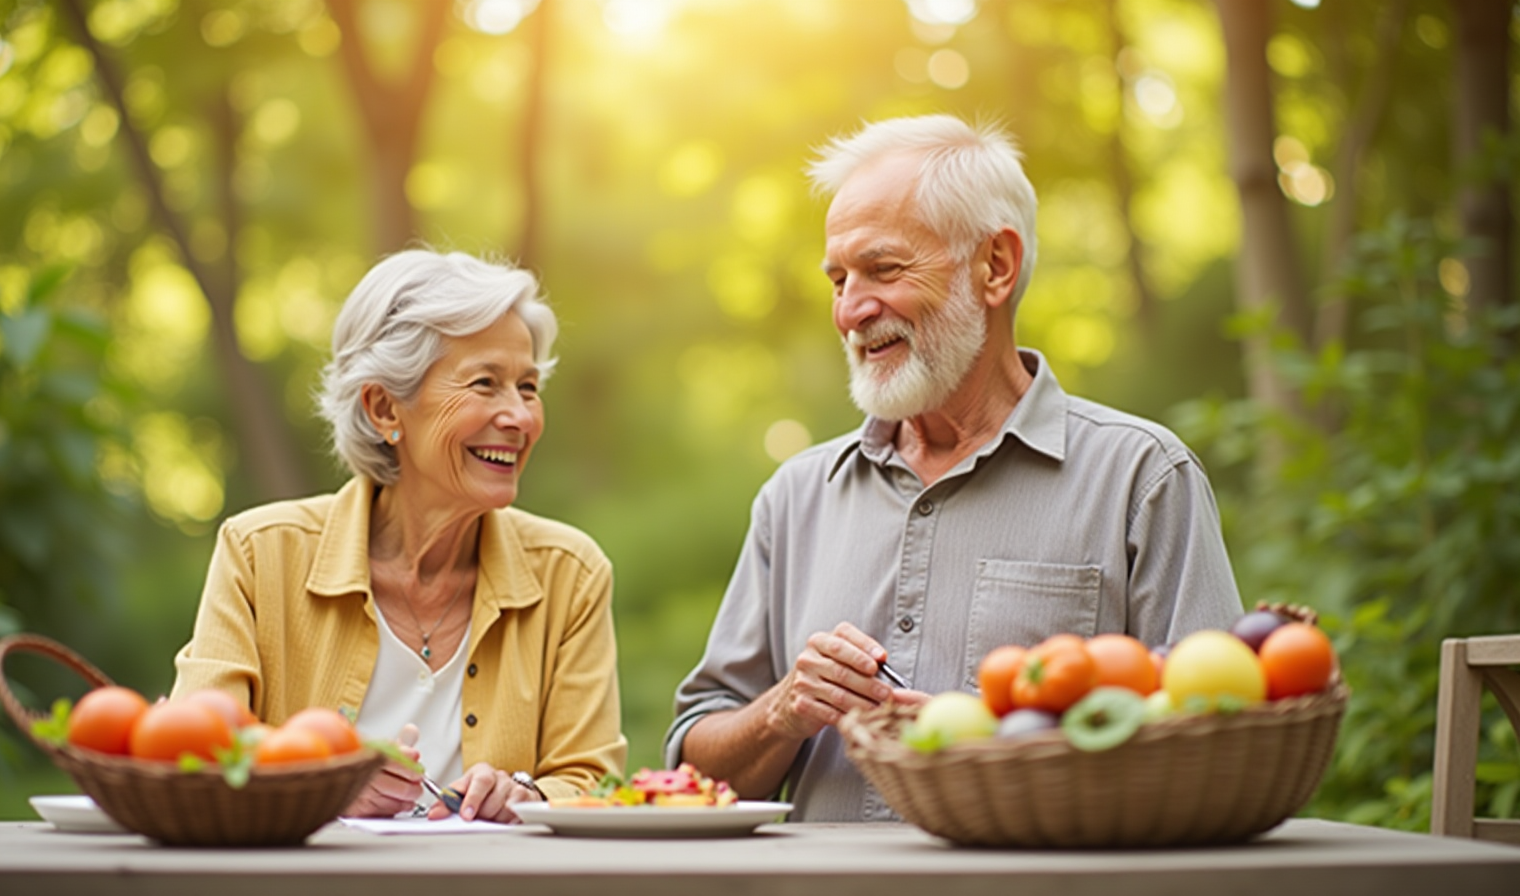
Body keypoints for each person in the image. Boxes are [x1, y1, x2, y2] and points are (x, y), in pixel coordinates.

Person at [664, 115, 1243, 823]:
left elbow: (1221, 749)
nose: (850, 310)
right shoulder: (794, 498)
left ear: (994, 267)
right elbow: (693, 772)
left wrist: (998, 745)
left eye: (883, 269)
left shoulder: (1142, 479)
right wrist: (781, 711)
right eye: (839, 279)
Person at [172, 248, 626, 822]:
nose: (520, 417)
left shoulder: (570, 573)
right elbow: (190, 750)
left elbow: (595, 780)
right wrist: (318, 780)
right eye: (485, 383)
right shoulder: (261, 554)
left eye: (528, 387)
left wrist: (529, 796)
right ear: (386, 407)